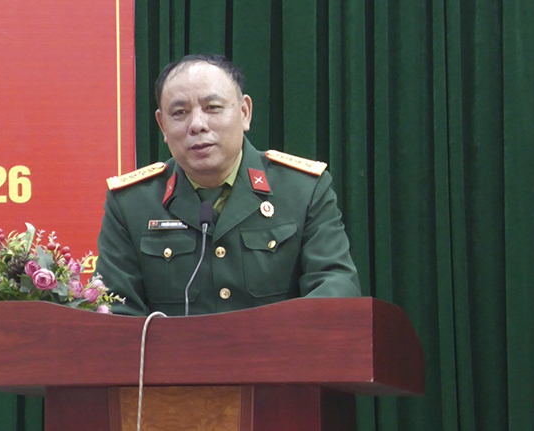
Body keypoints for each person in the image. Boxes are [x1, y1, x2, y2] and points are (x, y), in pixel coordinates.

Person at [96, 54, 360, 316]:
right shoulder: (131, 204)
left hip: (280, 344)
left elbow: (336, 288)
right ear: (162, 125)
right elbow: (116, 311)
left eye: (212, 107)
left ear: (245, 113)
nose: (197, 125)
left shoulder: (302, 190)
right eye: (179, 113)